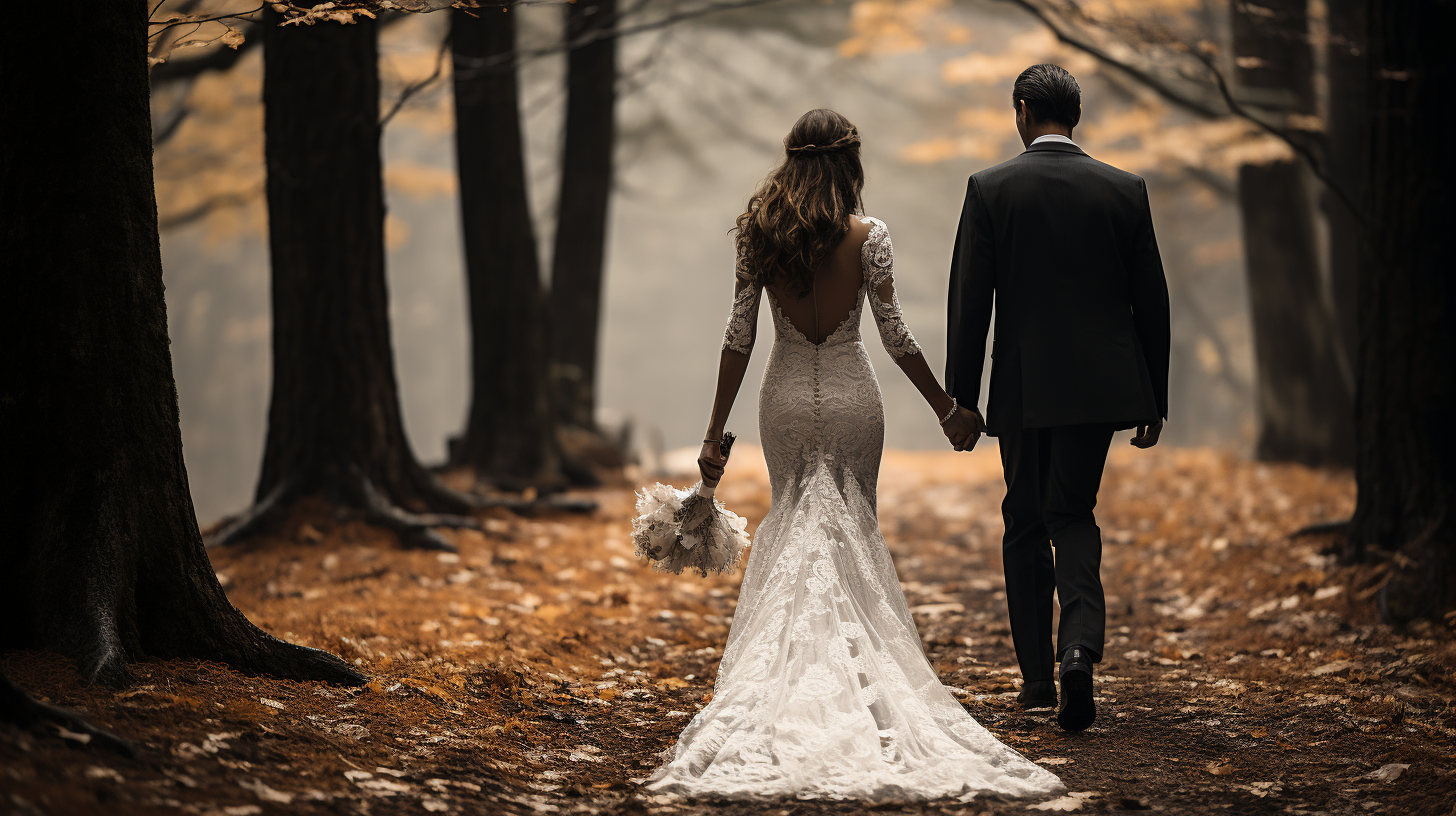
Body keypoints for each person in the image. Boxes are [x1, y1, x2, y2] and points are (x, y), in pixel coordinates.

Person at [645, 109, 1063, 802]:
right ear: (850, 162)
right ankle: (864, 688)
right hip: (852, 398)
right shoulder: (869, 236)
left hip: (781, 398)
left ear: (791, 159)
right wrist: (947, 408)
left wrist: (713, 436)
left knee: (795, 518)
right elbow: (895, 336)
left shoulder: (758, 235)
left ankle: (790, 680)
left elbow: (738, 336)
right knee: (849, 527)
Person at [945, 64, 1171, 732]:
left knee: (1023, 519)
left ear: (1022, 111)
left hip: (1021, 385)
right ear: (1075, 114)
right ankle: (1079, 647)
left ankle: (1038, 681)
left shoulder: (991, 189)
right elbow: (1151, 301)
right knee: (1072, 512)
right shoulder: (1124, 190)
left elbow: (970, 300)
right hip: (1101, 389)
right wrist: (1153, 397)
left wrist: (964, 399)